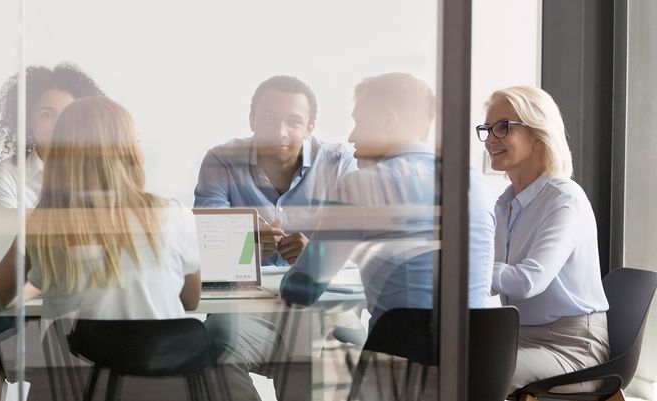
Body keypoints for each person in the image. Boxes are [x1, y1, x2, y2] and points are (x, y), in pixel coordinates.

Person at [280, 72, 495, 328]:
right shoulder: (476, 182)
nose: (351, 137)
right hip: (474, 360)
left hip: (400, 358)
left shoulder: (363, 184)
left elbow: (301, 291)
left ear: (388, 121)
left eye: (359, 122)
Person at [194, 76, 357, 401]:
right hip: (244, 306)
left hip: (320, 304)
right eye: (268, 118)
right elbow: (205, 245)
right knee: (214, 343)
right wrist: (245, 246)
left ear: (310, 126)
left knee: (338, 347)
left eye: (293, 121)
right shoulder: (222, 160)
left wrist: (317, 255)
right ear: (252, 119)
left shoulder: (338, 162)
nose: (280, 132)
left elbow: (358, 244)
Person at [0, 96, 201, 321]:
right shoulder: (175, 216)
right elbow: (191, 301)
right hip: (164, 356)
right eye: (136, 141)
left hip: (76, 356)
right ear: (127, 152)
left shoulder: (44, 225)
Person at [477, 86, 609, 393]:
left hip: (574, 348)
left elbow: (527, 280)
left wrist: (470, 268)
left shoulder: (564, 200)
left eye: (502, 127)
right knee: (437, 363)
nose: (491, 138)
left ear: (538, 136)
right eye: (487, 129)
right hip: (518, 337)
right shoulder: (505, 204)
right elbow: (494, 280)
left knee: (468, 375)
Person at [0, 63, 104, 208]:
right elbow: (9, 231)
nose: (59, 125)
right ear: (28, 120)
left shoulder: (100, 171)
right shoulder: (7, 175)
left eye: (68, 114)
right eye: (47, 115)